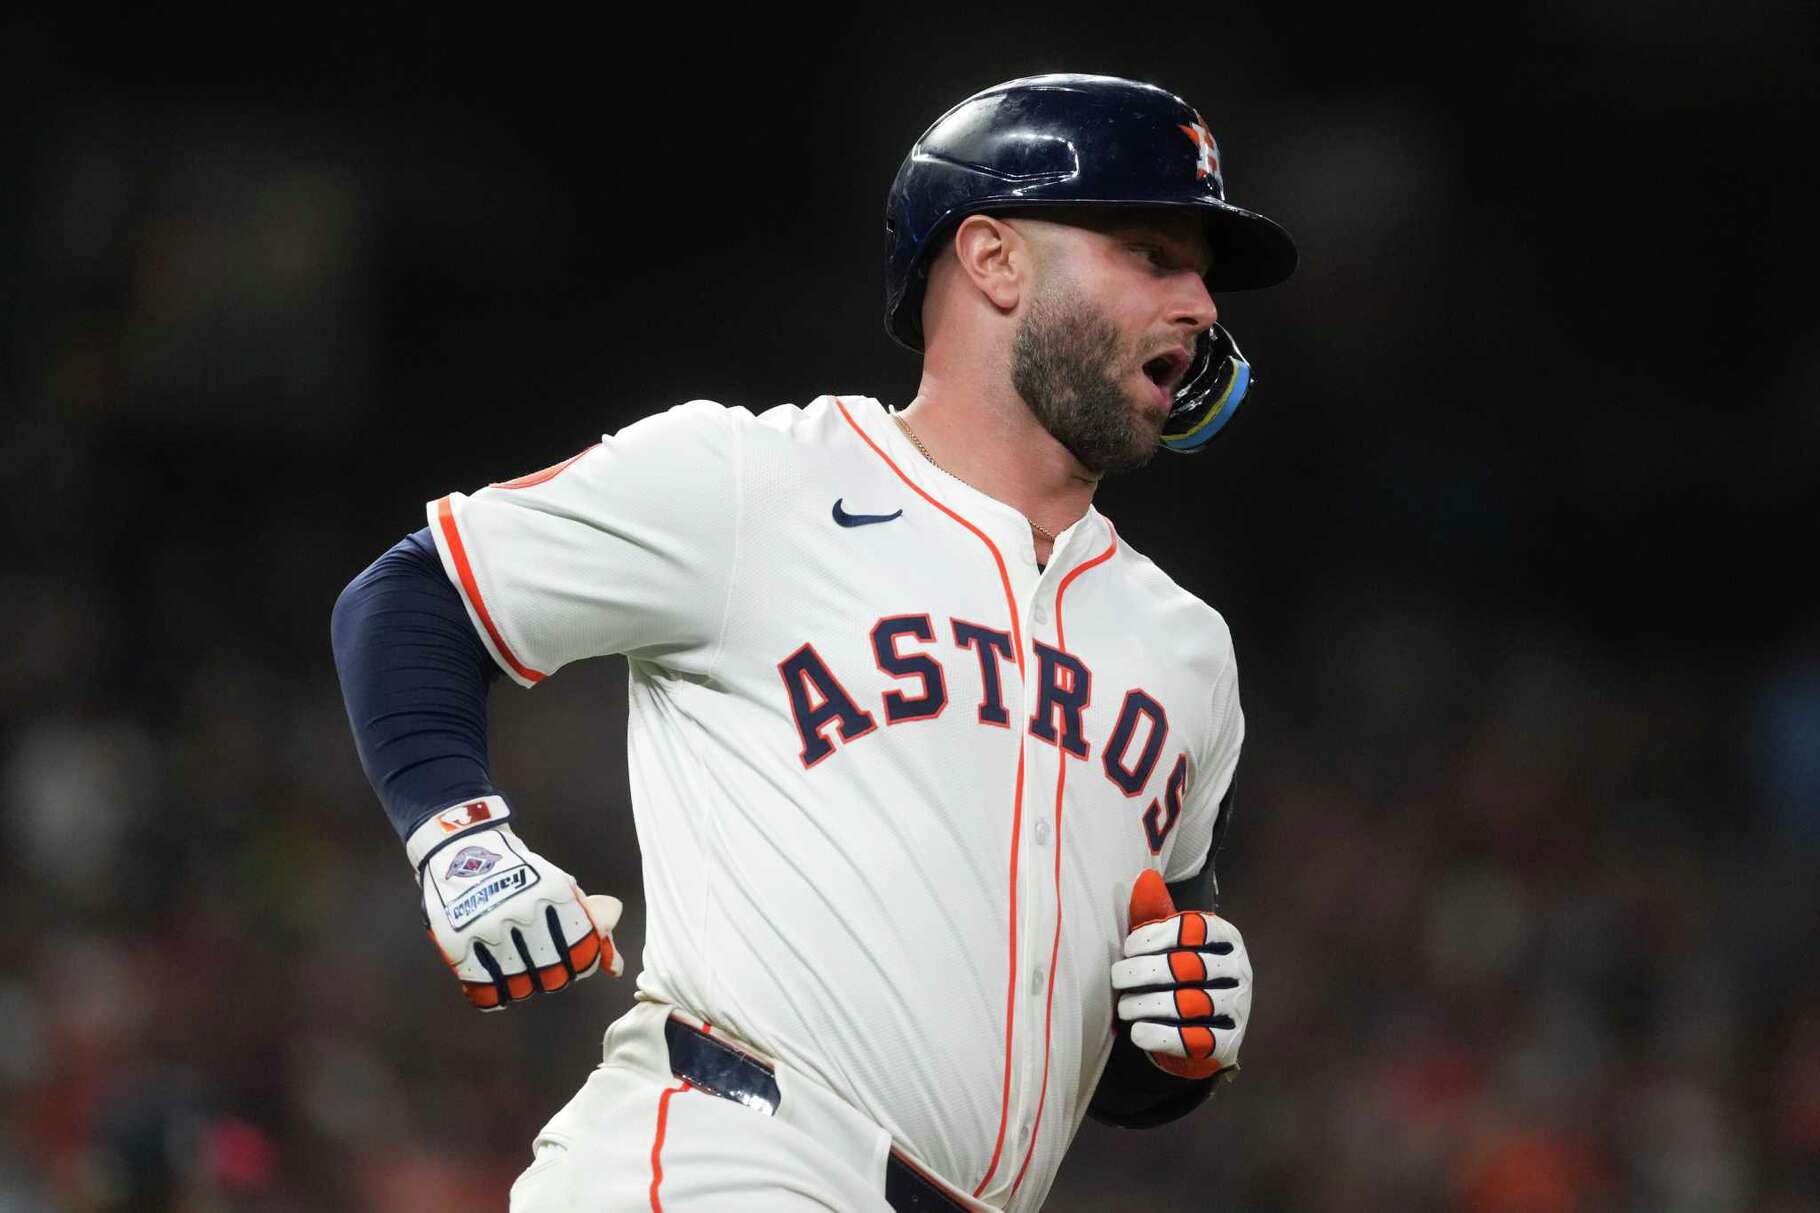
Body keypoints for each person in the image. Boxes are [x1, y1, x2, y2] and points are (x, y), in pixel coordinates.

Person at [331, 72, 1297, 1212]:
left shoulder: (1184, 648)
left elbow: (1095, 1031)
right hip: (727, 1157)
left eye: (1199, 275)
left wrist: (1177, 1039)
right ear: (991, 260)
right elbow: (414, 596)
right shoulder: (757, 482)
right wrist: (461, 840)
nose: (1196, 304)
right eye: (1150, 253)